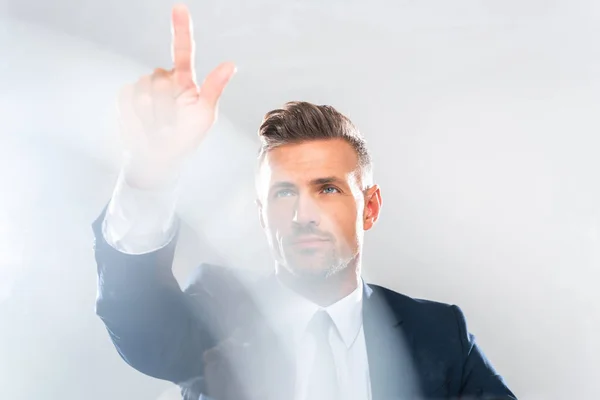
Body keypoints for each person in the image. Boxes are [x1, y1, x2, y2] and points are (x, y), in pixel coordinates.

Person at [92, 4, 517, 400]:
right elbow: (138, 321)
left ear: (369, 208)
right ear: (263, 215)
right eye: (284, 192)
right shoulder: (219, 309)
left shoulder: (438, 333)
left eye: (327, 188)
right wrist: (150, 175)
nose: (303, 215)